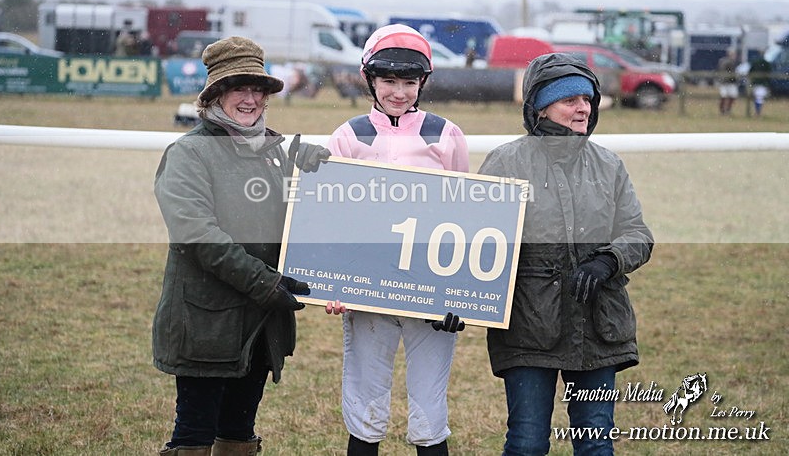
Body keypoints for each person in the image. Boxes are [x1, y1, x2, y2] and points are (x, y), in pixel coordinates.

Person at [152, 36, 326, 456]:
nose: (249, 99)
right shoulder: (189, 153)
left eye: (258, 90)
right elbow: (200, 236)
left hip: (258, 326)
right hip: (206, 322)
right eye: (238, 89)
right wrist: (265, 284)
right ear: (216, 95)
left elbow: (291, 228)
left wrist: (315, 177)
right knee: (193, 434)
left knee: (238, 430)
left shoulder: (274, 154)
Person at [478, 52, 654, 456]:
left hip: (599, 325)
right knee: (526, 442)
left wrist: (607, 260)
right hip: (528, 326)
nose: (583, 108)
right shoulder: (505, 162)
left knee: (595, 441)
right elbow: (478, 242)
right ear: (540, 107)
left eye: (587, 100)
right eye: (569, 100)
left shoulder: (608, 165)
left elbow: (637, 233)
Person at [326, 24, 470, 456]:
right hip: (368, 290)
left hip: (430, 287)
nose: (399, 92)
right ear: (369, 79)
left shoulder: (446, 134)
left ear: (423, 82)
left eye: (409, 82)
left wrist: (460, 294)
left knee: (429, 411)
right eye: (389, 81)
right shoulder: (348, 135)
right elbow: (332, 218)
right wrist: (334, 283)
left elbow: (465, 217)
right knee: (365, 407)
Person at [748, 51, 771, 116]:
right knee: (760, 98)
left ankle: (757, 112)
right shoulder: (766, 63)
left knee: (757, 98)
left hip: (756, 82)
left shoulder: (755, 62)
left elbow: (750, 71)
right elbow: (769, 73)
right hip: (762, 83)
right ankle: (758, 112)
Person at [717, 48, 739, 115]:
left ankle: (726, 110)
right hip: (726, 82)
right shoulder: (727, 62)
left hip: (729, 82)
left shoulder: (723, 61)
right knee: (724, 96)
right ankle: (723, 110)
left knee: (731, 96)